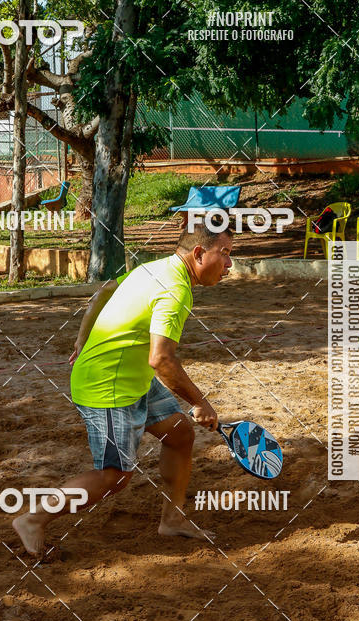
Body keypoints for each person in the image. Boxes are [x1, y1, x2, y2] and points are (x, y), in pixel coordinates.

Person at [13, 217, 234, 558]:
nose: (230, 264)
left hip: (130, 377)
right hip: (108, 386)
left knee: (179, 433)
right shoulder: (175, 290)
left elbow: (105, 290)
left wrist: (82, 338)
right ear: (199, 254)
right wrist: (200, 402)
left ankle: (173, 519)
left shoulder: (155, 267)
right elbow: (161, 359)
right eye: (225, 253)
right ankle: (32, 520)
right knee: (114, 477)